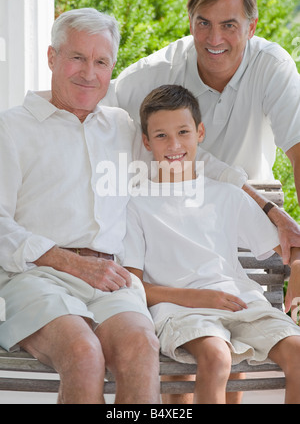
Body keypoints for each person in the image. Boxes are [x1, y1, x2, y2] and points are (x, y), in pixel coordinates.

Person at [0, 8, 161, 404]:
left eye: (101, 61)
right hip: (34, 277)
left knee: (141, 347)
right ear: (52, 58)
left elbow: (186, 164)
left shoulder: (122, 126)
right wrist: (70, 263)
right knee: (83, 353)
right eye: (77, 57)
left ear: (111, 69)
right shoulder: (11, 128)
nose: (89, 73)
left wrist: (266, 207)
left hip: (110, 278)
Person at [101, 0, 300, 265]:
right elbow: (96, 111)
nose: (214, 38)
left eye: (229, 25)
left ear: (252, 27)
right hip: (171, 232)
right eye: (203, 22)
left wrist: (296, 257)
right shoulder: (158, 72)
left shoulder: (271, 67)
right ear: (191, 23)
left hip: (246, 227)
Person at [121, 84, 300, 404]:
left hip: (241, 303)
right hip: (179, 310)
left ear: (199, 133)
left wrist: (297, 265)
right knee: (217, 357)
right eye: (161, 136)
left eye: (183, 132)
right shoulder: (136, 203)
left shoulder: (226, 195)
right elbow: (134, 284)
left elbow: (286, 247)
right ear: (146, 142)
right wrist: (198, 297)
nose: (174, 144)